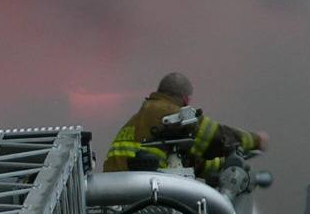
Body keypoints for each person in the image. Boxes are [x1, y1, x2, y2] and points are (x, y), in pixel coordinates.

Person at [102, 72, 268, 177]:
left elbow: (192, 163)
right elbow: (216, 136)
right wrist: (255, 140)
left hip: (118, 203)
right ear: (186, 99)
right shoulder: (170, 113)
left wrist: (225, 165)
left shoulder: (139, 118)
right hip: (145, 199)